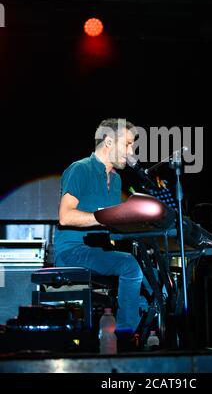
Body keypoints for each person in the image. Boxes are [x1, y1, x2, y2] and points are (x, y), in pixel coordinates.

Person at [54, 118, 145, 340]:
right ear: (108, 141)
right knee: (130, 266)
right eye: (127, 144)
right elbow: (65, 217)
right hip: (72, 252)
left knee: (155, 275)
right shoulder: (80, 169)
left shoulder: (116, 180)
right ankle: (125, 336)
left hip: (98, 251)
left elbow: (112, 223)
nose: (131, 151)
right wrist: (105, 218)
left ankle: (148, 331)